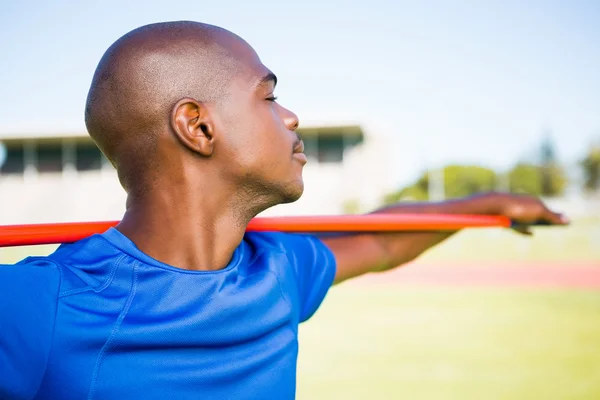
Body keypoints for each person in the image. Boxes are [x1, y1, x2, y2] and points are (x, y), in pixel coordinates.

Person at [0, 21, 567, 400]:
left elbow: (384, 239)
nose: (291, 116)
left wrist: (488, 204)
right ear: (198, 127)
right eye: (268, 96)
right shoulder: (39, 306)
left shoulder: (274, 269)